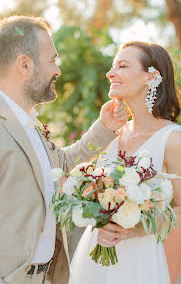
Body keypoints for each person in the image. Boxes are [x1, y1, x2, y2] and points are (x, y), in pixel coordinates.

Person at [0, 15, 128, 284]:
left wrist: (104, 127)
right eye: (52, 60)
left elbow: (64, 162)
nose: (57, 70)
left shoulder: (30, 124)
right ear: (24, 64)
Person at [70, 41, 181, 284]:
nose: (110, 73)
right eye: (112, 66)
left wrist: (132, 230)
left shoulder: (173, 139)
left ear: (151, 77)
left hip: (138, 260)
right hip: (94, 252)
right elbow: (90, 185)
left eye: (122, 66)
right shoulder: (113, 132)